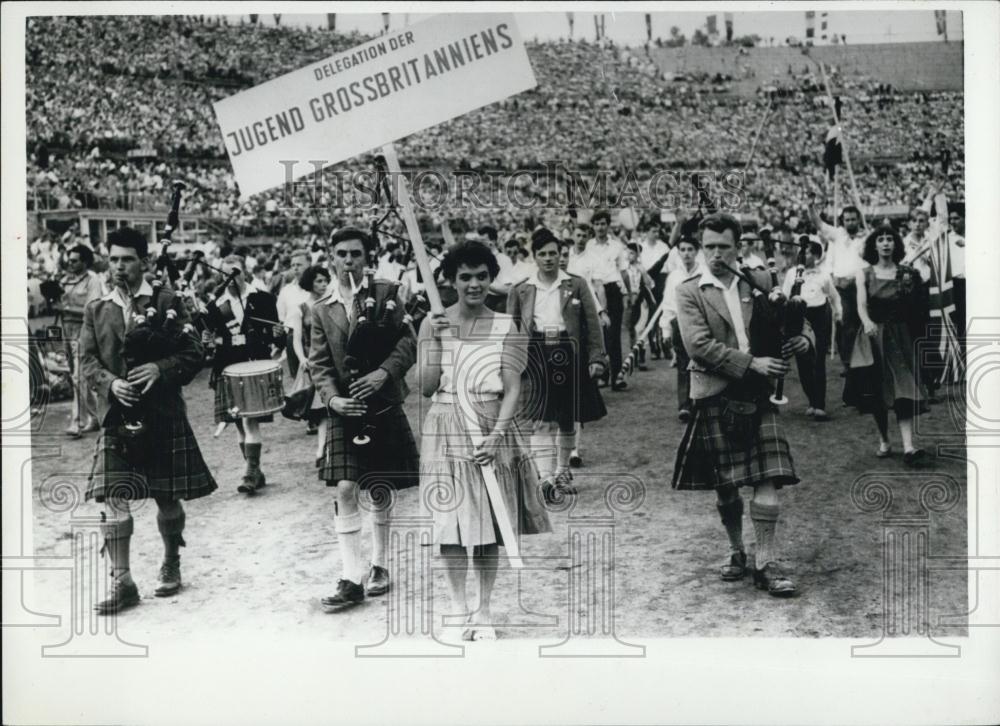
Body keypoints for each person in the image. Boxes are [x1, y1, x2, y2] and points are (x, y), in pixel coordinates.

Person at [672, 214, 813, 597]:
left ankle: (766, 562)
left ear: (738, 247)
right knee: (726, 487)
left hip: (758, 395)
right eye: (709, 247)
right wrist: (752, 363)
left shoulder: (760, 280)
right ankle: (737, 550)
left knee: (767, 478)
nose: (716, 255)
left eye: (724, 247)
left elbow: (795, 315)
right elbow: (698, 346)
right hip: (716, 392)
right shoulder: (689, 291)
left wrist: (803, 339)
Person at [417, 240, 551, 640]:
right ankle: (458, 608)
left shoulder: (507, 325)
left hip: (492, 426)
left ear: (491, 278)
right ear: (451, 280)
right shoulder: (433, 323)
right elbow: (425, 386)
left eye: (481, 276)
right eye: (465, 277)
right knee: (451, 523)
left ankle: (485, 610)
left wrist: (496, 436)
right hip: (445, 425)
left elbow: (513, 388)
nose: (473, 284)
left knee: (490, 523)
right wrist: (434, 339)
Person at [79, 227, 216, 614]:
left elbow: (194, 352)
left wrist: (161, 368)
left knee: (166, 497)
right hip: (117, 415)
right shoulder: (96, 308)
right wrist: (111, 384)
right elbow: (86, 360)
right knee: (111, 496)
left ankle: (171, 560)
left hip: (161, 412)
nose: (119, 266)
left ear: (144, 262)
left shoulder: (167, 300)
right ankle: (122, 581)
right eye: (114, 259)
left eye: (127, 259)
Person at [310, 228, 420, 613]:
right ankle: (351, 577)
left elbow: (408, 342)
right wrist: (333, 399)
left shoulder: (386, 293)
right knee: (344, 487)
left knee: (379, 486)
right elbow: (319, 364)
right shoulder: (321, 308)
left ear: (366, 257)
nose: (348, 260)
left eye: (355, 253)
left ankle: (380, 565)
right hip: (347, 408)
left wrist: (384, 374)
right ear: (331, 257)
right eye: (341, 253)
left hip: (383, 401)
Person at [508, 228, 607, 503]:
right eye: (543, 254)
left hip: (569, 352)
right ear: (534, 256)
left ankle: (562, 473)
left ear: (561, 254)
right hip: (537, 354)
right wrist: (511, 363)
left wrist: (596, 357)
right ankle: (545, 478)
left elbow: (593, 324)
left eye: (553, 253)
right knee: (541, 419)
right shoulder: (521, 289)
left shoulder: (576, 284)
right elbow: (511, 329)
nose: (549, 258)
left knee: (567, 418)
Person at [844, 225, 928, 465]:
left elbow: (916, 305)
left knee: (903, 387)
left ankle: (909, 447)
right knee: (877, 390)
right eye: (880, 239)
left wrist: (914, 281)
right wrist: (867, 322)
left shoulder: (906, 273)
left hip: (900, 336)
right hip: (873, 335)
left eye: (889, 239)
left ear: (895, 244)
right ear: (874, 245)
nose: (885, 243)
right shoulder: (865, 273)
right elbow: (861, 305)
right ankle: (884, 439)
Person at [204, 254, 282, 494]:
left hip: (254, 366)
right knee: (239, 424)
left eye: (235, 272)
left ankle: (250, 472)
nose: (230, 278)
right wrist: (208, 341)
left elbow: (276, 335)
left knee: (249, 421)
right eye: (225, 273)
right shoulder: (215, 305)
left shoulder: (263, 299)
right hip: (228, 368)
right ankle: (255, 470)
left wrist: (279, 335)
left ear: (245, 273)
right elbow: (210, 341)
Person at [781, 236, 841, 420]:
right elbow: (784, 297)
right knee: (803, 361)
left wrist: (838, 313)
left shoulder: (823, 274)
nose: (802, 255)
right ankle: (812, 401)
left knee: (818, 359)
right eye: (801, 252)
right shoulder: (792, 273)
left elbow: (834, 296)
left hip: (820, 316)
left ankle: (820, 405)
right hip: (800, 317)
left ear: (815, 256)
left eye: (806, 252)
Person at [56, 244, 106, 437]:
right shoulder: (67, 280)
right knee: (76, 376)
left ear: (85, 262)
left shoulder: (93, 280)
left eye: (75, 261)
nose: (70, 264)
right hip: (67, 330)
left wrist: (65, 308)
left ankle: (77, 422)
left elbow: (92, 309)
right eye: (69, 260)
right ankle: (96, 417)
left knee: (79, 376)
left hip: (84, 330)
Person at [810, 201, 867, 369]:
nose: (850, 222)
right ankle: (847, 363)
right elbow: (818, 224)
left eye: (853, 219)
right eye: (847, 220)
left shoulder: (866, 237)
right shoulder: (838, 234)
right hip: (842, 287)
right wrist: (810, 207)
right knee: (845, 324)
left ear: (859, 220)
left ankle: (864, 361)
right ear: (843, 221)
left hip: (862, 285)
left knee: (863, 323)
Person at [584, 209, 631, 391]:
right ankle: (602, 374)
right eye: (597, 224)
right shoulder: (588, 246)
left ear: (608, 225)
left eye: (603, 223)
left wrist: (628, 294)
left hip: (613, 290)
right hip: (594, 291)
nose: (600, 227)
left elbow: (624, 272)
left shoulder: (616, 246)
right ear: (593, 226)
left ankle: (617, 377)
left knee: (614, 334)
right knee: (599, 334)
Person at [659, 235, 703, 421]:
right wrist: (666, 330)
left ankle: (700, 403)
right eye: (683, 250)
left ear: (697, 251)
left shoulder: (704, 273)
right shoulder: (674, 277)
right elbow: (668, 304)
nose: (686, 254)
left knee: (702, 363)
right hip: (680, 323)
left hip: (701, 323)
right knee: (683, 364)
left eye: (690, 250)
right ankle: (685, 406)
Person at [287, 264, 331, 447]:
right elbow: (296, 338)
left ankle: (325, 448)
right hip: (313, 359)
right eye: (319, 281)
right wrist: (302, 359)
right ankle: (322, 448)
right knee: (321, 407)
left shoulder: (331, 303)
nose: (324, 284)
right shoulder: (300, 308)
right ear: (310, 283)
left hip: (332, 357)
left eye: (325, 280)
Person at [275, 250, 311, 378]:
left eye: (299, 265)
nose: (295, 268)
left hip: (314, 335)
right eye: (293, 265)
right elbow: (281, 317)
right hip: (292, 337)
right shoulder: (286, 291)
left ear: (309, 264)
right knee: (298, 380)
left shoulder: (318, 288)